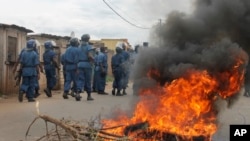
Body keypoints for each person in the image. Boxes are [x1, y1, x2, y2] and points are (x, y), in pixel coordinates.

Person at [76, 34, 95, 101]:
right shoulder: (89, 47)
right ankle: (89, 96)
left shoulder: (78, 47)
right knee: (88, 80)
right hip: (87, 65)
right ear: (88, 39)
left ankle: (78, 93)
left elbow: (76, 58)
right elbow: (90, 56)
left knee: (80, 79)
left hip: (79, 64)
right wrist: (94, 59)